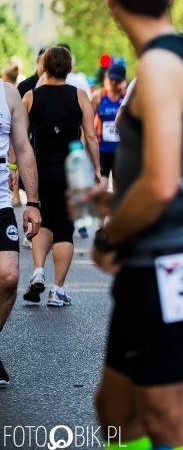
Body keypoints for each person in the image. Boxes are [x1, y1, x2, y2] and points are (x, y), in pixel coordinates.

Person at [91, 0, 183, 450]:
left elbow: (162, 182)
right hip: (165, 251)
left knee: (165, 414)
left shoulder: (162, 67)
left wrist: (109, 236)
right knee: (114, 409)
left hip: (156, 260)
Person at [19, 46, 100, 307]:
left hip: (39, 169)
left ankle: (38, 271)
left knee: (41, 220)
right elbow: (90, 136)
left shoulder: (30, 97)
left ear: (43, 65)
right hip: (70, 171)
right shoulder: (79, 96)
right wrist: (97, 168)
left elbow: (20, 139)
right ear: (70, 67)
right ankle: (57, 290)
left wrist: (13, 169)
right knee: (64, 228)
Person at [0, 81, 42, 386]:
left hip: (1, 201)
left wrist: (33, 203)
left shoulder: (8, 93)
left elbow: (24, 148)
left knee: (9, 277)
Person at [92, 63, 126, 192]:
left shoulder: (127, 97)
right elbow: (87, 122)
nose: (113, 82)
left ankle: (116, 212)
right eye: (111, 79)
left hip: (121, 150)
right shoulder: (98, 96)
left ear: (123, 80)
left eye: (117, 80)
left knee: (119, 190)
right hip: (103, 150)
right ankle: (100, 213)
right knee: (102, 186)